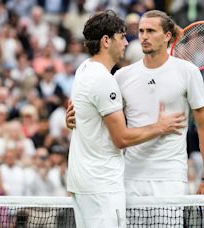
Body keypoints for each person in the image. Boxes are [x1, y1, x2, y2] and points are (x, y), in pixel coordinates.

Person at [67, 9, 204, 195]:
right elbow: (108, 120)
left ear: (167, 36)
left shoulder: (189, 72)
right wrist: (77, 118)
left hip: (170, 179)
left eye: (151, 31)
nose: (144, 36)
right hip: (129, 178)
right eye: (141, 31)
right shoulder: (121, 76)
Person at [66, 10, 186, 228]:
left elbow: (83, 115)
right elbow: (121, 138)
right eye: (121, 37)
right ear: (106, 41)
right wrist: (159, 127)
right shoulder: (104, 80)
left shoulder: (83, 70)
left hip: (82, 182)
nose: (126, 42)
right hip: (102, 185)